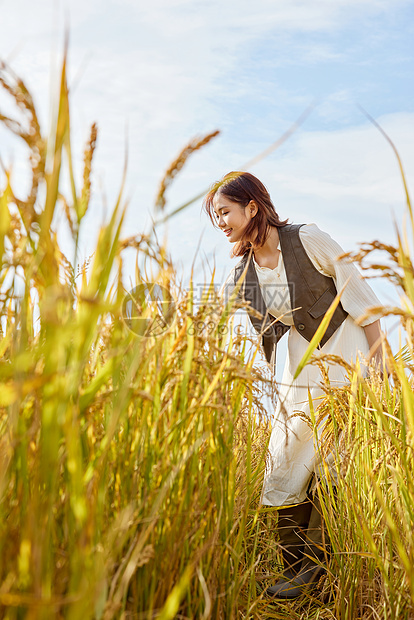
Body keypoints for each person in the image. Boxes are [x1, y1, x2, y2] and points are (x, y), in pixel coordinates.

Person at [203, 171, 383, 599]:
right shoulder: (242, 275)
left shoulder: (308, 239)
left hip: (347, 354)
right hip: (298, 366)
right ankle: (296, 568)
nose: (221, 223)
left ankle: (318, 570)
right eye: (216, 217)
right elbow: (209, 323)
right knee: (284, 459)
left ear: (251, 206)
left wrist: (378, 363)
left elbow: (363, 297)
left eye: (225, 212)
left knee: (335, 459)